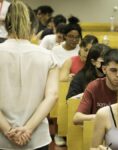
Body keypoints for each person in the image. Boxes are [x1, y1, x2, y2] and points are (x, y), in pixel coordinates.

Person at [0, 0, 58, 149]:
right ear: (33, 25)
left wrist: (8, 131)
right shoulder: (48, 55)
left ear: (5, 25)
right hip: (36, 138)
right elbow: (52, 96)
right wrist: (28, 129)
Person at [73, 48, 118, 125]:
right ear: (104, 69)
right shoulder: (94, 86)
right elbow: (77, 118)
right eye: (113, 70)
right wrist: (104, 117)